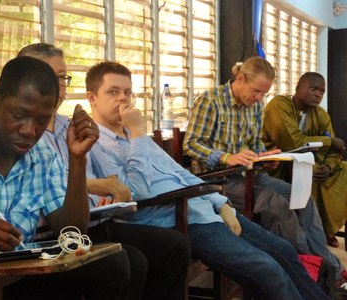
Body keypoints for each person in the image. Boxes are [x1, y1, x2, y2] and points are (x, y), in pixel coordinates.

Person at [84, 60, 331, 299]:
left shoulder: (138, 137)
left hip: (204, 206)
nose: (123, 99)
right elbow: (136, 191)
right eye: (113, 92)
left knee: (284, 251)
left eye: (128, 92)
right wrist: (138, 132)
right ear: (92, 98)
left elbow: (181, 172)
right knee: (267, 269)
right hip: (178, 219)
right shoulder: (96, 145)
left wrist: (220, 203)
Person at [17, 43, 190, 300]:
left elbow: (113, 180)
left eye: (62, 78)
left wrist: (114, 187)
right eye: (48, 77)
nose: (57, 86)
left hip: (100, 220)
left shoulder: (73, 125)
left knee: (173, 245)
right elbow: (35, 183)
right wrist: (93, 184)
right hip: (54, 232)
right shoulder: (21, 130)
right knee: (129, 260)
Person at [0, 56, 130, 300]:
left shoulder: (43, 156)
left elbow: (71, 231)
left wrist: (78, 160)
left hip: (20, 277)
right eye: (19, 115)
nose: (29, 130)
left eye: (42, 120)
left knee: (114, 264)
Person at [182, 56, 347, 288]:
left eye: (264, 94)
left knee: (301, 197)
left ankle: (327, 267)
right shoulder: (210, 101)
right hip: (217, 180)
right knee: (276, 203)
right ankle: (311, 271)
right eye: (256, 91)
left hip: (248, 173)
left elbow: (255, 144)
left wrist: (266, 157)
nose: (259, 98)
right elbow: (191, 145)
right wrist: (227, 157)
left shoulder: (255, 106)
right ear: (240, 78)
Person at [262, 72, 347, 249]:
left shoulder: (320, 114)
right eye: (313, 88)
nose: (318, 94)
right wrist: (329, 141)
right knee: (309, 171)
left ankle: (326, 228)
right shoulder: (279, 105)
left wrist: (330, 167)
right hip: (278, 167)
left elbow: (335, 151)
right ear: (298, 88)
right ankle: (316, 232)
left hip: (310, 164)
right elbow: (291, 143)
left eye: (322, 92)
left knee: (341, 170)